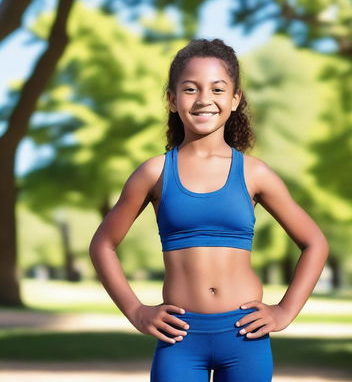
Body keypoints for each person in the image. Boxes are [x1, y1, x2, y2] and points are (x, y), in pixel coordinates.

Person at [89, 38, 329, 382]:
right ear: (172, 100)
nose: (204, 99)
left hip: (244, 337)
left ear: (235, 99)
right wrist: (136, 311)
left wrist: (284, 311)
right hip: (181, 338)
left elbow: (315, 243)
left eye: (218, 89)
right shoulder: (154, 172)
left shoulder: (254, 173)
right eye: (190, 89)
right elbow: (102, 244)